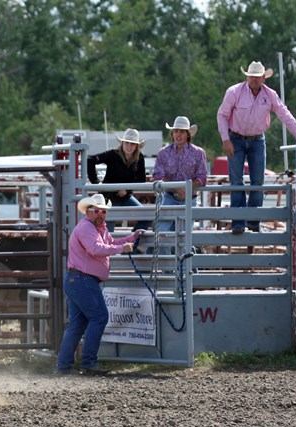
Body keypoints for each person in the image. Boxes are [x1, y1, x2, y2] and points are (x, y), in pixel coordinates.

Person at [217, 61, 296, 234]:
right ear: (247, 77)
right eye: (251, 76)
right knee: (237, 180)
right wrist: (225, 139)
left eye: (257, 77)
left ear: (263, 78)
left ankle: (253, 220)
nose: (254, 80)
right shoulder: (234, 92)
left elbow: (285, 114)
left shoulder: (270, 95)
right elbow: (222, 115)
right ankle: (238, 222)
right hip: (236, 138)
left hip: (257, 140)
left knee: (258, 181)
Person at [56, 194, 143, 376]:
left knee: (77, 324)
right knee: (99, 317)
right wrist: (122, 248)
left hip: (78, 280)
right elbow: (96, 249)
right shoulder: (88, 228)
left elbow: (110, 243)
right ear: (88, 212)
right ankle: (88, 363)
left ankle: (64, 366)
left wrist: (130, 238)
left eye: (103, 211)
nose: (101, 214)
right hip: (83, 280)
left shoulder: (96, 228)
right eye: (97, 211)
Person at [152, 116, 208, 256]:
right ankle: (168, 273)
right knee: (162, 235)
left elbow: (202, 177)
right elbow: (157, 176)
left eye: (182, 132)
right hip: (170, 197)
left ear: (188, 134)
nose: (178, 134)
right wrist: (176, 188)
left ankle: (187, 272)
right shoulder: (163, 153)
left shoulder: (198, 153)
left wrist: (188, 189)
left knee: (185, 238)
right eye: (176, 131)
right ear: (172, 134)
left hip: (189, 198)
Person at [87, 128, 150, 232]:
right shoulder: (113, 154)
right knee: (108, 227)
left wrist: (126, 189)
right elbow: (90, 160)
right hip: (108, 197)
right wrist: (96, 183)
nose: (129, 146)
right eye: (127, 143)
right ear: (122, 143)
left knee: (146, 217)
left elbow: (141, 180)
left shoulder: (139, 158)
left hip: (125, 197)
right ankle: (111, 246)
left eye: (132, 144)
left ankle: (132, 243)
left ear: (136, 146)